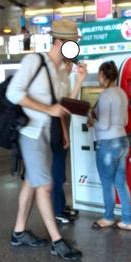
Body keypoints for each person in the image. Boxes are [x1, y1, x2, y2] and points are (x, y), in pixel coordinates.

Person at [6, 19, 82, 261]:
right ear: (59, 42)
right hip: (30, 133)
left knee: (32, 181)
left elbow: (63, 106)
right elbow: (13, 93)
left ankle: (19, 232)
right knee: (45, 186)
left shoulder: (61, 71)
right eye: (73, 43)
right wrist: (46, 110)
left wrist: (78, 80)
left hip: (47, 134)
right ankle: (56, 241)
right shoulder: (34, 61)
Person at [89, 61, 131, 231]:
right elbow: (125, 121)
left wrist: (92, 121)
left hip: (108, 144)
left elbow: (104, 125)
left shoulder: (105, 95)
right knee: (121, 183)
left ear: (102, 75)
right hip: (123, 141)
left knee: (107, 183)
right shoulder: (122, 93)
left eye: (99, 74)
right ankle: (127, 220)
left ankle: (108, 217)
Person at [52, 59, 87, 225]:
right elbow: (60, 112)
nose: (69, 67)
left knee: (60, 172)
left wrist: (79, 81)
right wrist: (66, 134)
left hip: (59, 132)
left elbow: (68, 105)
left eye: (70, 64)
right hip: (55, 135)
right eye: (66, 63)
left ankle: (61, 206)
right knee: (57, 174)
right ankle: (57, 211)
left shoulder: (63, 80)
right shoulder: (56, 80)